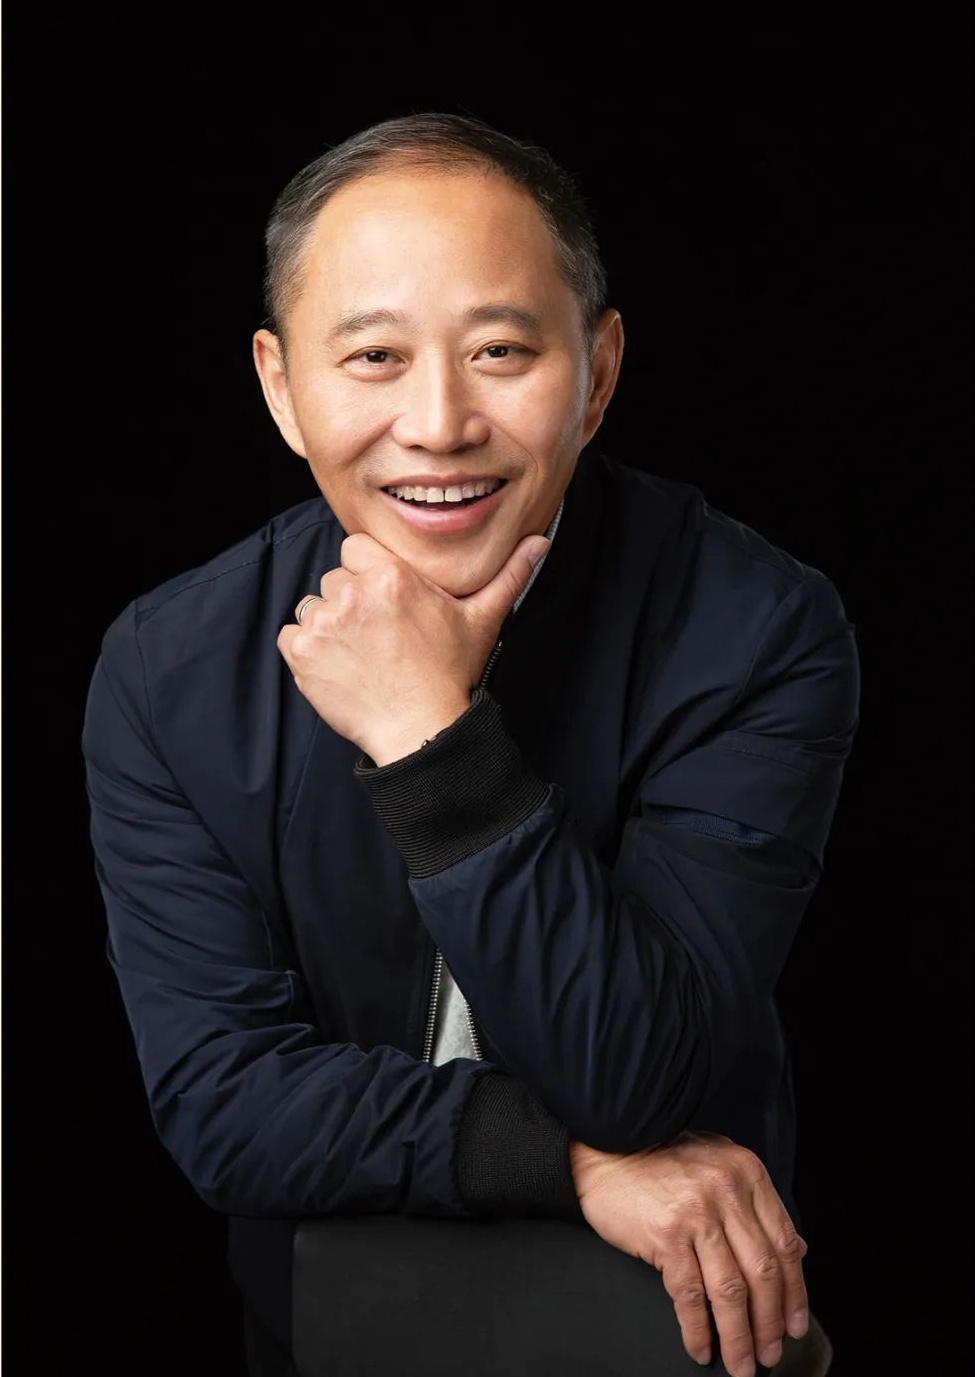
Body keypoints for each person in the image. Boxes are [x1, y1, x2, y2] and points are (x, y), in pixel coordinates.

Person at [82, 112, 859, 1377]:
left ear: (597, 373)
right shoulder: (170, 667)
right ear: (282, 388)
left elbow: (637, 1079)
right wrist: (569, 1165)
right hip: (333, 1278)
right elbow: (224, 1103)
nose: (439, 424)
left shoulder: (754, 627)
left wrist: (426, 734)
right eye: (374, 357)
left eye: (501, 350)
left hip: (667, 1302)